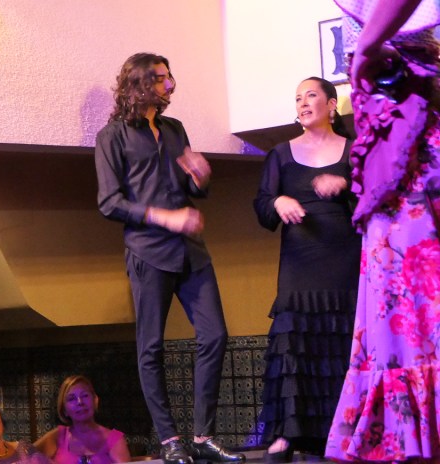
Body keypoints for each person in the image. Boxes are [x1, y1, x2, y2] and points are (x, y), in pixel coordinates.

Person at [323, 0, 440, 462]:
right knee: (395, 279)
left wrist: (369, 43)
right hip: (394, 118)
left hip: (412, 127)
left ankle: (412, 438)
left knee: (411, 278)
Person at [93, 53, 244, 464]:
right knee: (151, 348)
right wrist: (164, 217)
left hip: (191, 250)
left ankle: (202, 436)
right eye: (161, 78)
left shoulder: (175, 129)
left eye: (169, 77)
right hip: (148, 252)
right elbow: (109, 202)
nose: (171, 84)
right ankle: (170, 440)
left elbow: (191, 189)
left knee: (215, 335)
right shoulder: (112, 136)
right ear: (139, 83)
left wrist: (200, 177)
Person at [252, 77, 360, 461]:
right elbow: (262, 205)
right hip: (300, 263)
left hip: (345, 261)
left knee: (343, 343)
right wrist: (278, 202)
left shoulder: (354, 150)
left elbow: (374, 199)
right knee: (294, 343)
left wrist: (344, 184)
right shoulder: (280, 154)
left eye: (311, 95)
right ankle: (286, 435)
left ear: (331, 105)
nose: (303, 102)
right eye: (297, 98)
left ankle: (344, 431)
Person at [34, 375, 129, 464]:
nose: (80, 402)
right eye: (71, 399)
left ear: (95, 401)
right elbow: (27, 453)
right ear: (64, 410)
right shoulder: (58, 436)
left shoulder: (115, 439)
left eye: (85, 396)